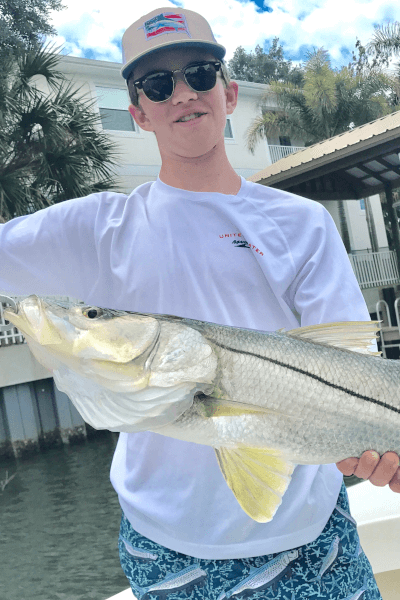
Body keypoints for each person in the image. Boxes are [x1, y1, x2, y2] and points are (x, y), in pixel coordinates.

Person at [0, 7, 399, 599]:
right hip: (163, 545)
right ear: (138, 111)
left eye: (200, 74)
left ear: (229, 92)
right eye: (158, 85)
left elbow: (351, 358)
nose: (183, 93)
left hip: (312, 537)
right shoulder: (98, 226)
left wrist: (369, 449)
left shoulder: (302, 222)